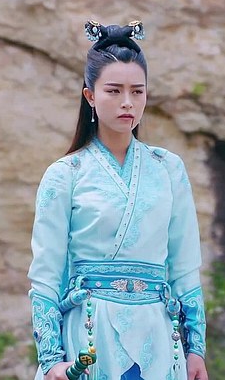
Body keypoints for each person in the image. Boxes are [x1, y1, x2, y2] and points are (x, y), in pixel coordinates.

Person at [29, 21, 208, 380]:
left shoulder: (168, 168)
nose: (128, 102)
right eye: (114, 90)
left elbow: (185, 267)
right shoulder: (66, 174)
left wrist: (196, 350)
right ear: (90, 96)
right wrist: (51, 360)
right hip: (90, 335)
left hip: (159, 334)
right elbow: (45, 276)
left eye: (137, 91)